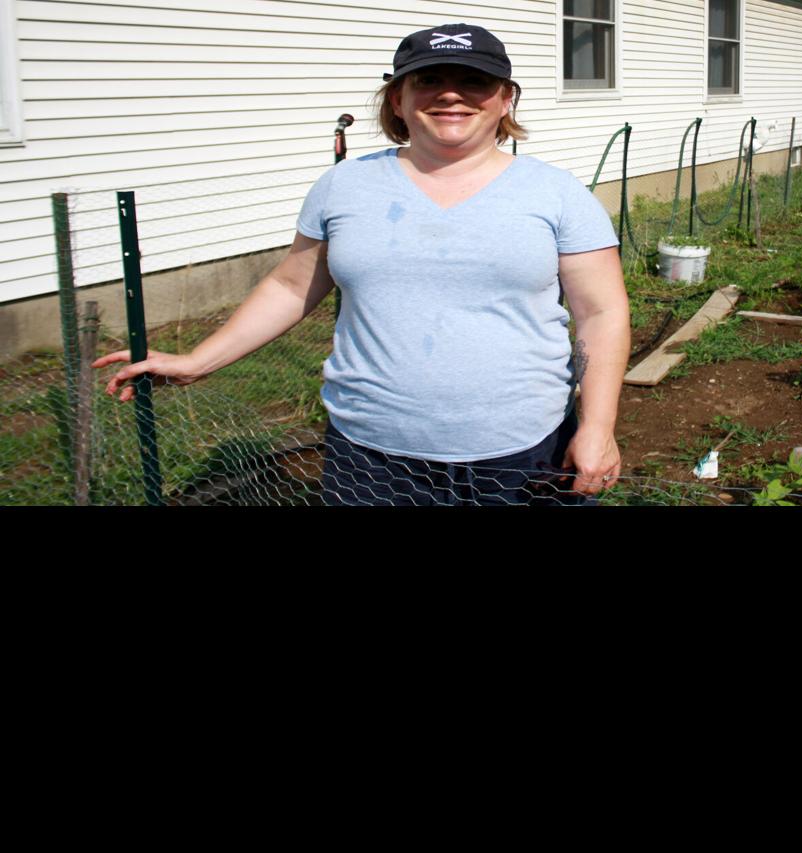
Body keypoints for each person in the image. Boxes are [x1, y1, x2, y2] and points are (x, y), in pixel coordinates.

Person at [93, 23, 630, 505]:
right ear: (398, 99)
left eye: (473, 81)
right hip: (369, 456)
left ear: (506, 100)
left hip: (520, 452)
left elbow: (601, 314)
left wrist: (598, 426)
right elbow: (290, 284)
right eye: (428, 81)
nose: (450, 94)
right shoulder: (344, 186)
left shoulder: (555, 193)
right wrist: (198, 361)